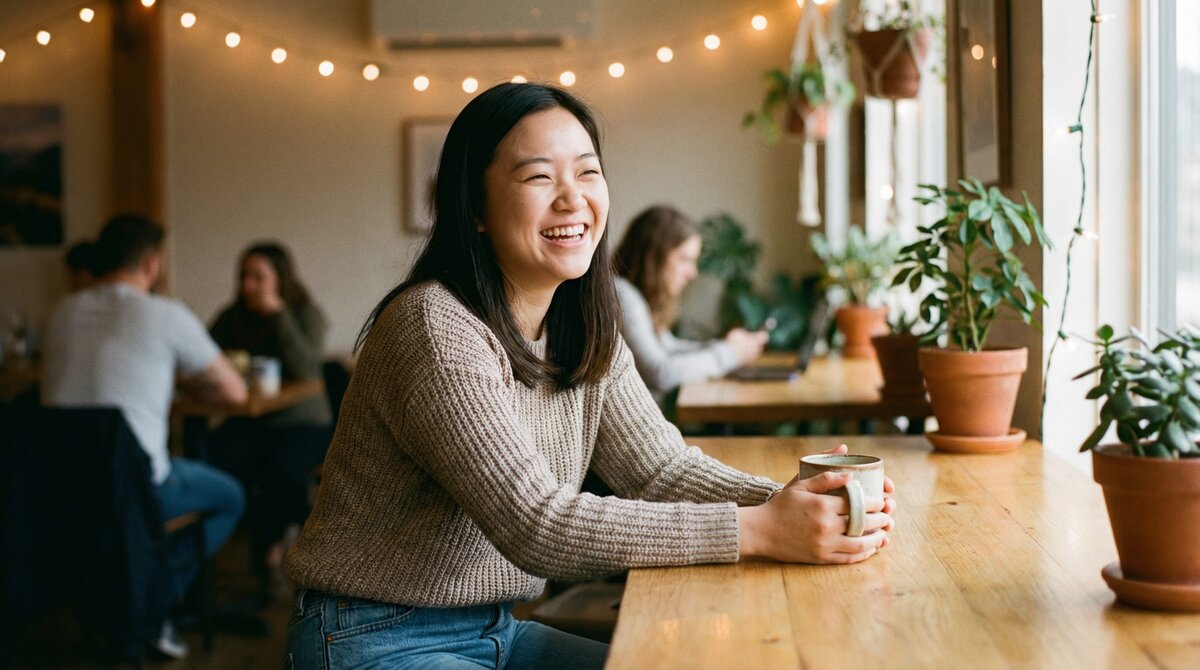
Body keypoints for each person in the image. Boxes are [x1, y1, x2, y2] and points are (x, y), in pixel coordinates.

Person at [282, 83, 895, 670]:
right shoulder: (435, 329)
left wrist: (793, 504)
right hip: (369, 639)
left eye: (588, 171)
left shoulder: (581, 322)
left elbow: (659, 471)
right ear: (474, 208)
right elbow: (537, 524)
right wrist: (758, 529)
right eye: (539, 177)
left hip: (494, 629)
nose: (572, 198)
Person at [41, 214, 248, 659]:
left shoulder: (63, 310)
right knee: (230, 496)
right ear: (153, 264)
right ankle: (156, 600)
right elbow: (235, 391)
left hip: (60, 485)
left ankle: (125, 594)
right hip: (135, 486)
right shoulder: (165, 315)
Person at [208, 242, 331, 590]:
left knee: (284, 468)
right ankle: (212, 563)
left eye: (258, 277)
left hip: (302, 421)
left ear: (279, 279)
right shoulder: (233, 317)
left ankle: (274, 549)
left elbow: (309, 369)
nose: (248, 285)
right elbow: (203, 357)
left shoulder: (305, 313)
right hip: (252, 419)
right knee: (215, 455)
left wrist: (279, 315)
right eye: (245, 276)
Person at [613, 205, 768, 402]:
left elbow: (669, 348)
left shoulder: (637, 296)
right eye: (685, 260)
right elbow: (660, 372)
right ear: (654, 257)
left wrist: (729, 347)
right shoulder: (622, 294)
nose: (692, 273)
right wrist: (729, 353)